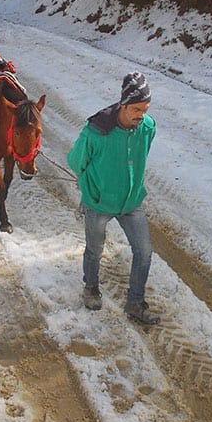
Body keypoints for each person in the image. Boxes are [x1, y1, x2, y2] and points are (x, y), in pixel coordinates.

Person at [68, 72, 160, 325]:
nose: (141, 115)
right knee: (95, 249)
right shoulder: (97, 132)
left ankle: (135, 303)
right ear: (123, 105)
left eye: (145, 108)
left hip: (131, 202)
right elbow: (76, 161)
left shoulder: (148, 128)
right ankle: (91, 287)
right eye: (136, 109)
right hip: (98, 202)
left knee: (144, 251)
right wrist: (91, 187)